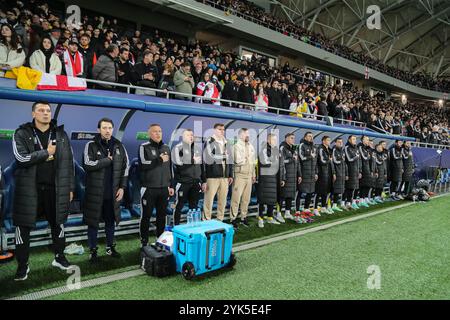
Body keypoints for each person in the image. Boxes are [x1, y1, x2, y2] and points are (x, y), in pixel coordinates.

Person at [12, 101, 74, 281]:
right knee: (23, 228)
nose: (45, 113)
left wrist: (70, 187)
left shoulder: (61, 134)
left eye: (48, 110)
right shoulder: (22, 133)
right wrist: (46, 153)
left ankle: (59, 257)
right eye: (41, 110)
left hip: (55, 189)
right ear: (33, 114)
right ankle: (23, 266)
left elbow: (68, 163)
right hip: (30, 190)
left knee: (58, 224)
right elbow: (21, 159)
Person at [83, 118, 129, 263]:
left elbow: (125, 168)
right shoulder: (90, 145)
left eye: (110, 127)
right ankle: (93, 250)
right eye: (104, 127)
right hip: (95, 193)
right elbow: (87, 164)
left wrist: (122, 187)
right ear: (99, 129)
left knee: (110, 221)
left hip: (112, 192)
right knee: (93, 223)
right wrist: (107, 161)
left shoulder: (119, 145)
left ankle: (110, 247)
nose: (107, 130)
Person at [138, 124, 174, 243]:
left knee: (161, 217)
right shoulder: (144, 147)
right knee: (146, 216)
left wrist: (171, 185)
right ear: (149, 134)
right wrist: (159, 160)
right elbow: (143, 165)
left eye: (160, 131)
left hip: (164, 188)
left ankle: (160, 240)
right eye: (155, 131)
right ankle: (144, 241)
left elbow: (170, 168)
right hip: (148, 189)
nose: (158, 133)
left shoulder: (166, 148)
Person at [172, 129, 203, 225]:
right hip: (183, 183)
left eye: (192, 135)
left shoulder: (197, 148)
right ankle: (176, 226)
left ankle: (192, 226)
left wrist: (203, 181)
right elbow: (179, 164)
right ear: (182, 137)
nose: (191, 137)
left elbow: (201, 166)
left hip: (195, 182)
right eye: (188, 135)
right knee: (179, 206)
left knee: (193, 206)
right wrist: (192, 160)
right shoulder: (177, 148)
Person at [203, 123, 233, 221]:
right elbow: (209, 158)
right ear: (214, 130)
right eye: (220, 129)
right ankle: (206, 220)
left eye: (223, 129)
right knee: (209, 200)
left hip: (224, 177)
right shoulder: (209, 141)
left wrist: (230, 175)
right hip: (212, 176)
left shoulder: (226, 142)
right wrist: (223, 156)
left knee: (222, 201)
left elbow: (230, 159)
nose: (222, 131)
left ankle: (220, 220)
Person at [230, 128, 256, 229]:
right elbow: (238, 160)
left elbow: (253, 162)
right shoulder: (236, 146)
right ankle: (233, 219)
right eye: (246, 134)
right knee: (236, 198)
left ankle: (243, 218)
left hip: (249, 175)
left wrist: (253, 174)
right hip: (239, 175)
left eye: (248, 134)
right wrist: (246, 156)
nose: (248, 136)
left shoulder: (251, 146)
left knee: (246, 199)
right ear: (241, 135)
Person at [257, 133, 280, 227]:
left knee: (271, 198)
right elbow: (265, 162)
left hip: (273, 177)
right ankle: (260, 218)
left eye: (275, 140)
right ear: (268, 140)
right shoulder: (263, 149)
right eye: (273, 140)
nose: (275, 142)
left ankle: (270, 217)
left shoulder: (275, 150)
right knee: (263, 199)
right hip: (265, 178)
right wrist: (274, 161)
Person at [278, 132, 299, 222]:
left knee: (290, 195)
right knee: (282, 195)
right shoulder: (282, 147)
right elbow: (282, 161)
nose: (293, 140)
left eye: (293, 138)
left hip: (293, 175)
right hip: (285, 175)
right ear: (286, 138)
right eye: (291, 138)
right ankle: (278, 213)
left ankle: (287, 212)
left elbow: (297, 163)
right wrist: (291, 159)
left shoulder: (293, 149)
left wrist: (299, 174)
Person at [297, 132, 318, 216]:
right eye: (309, 136)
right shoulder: (302, 145)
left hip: (312, 173)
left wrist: (316, 172)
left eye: (312, 136)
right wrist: (310, 156)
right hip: (304, 173)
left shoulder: (314, 147)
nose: (311, 138)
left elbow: (316, 161)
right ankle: (297, 210)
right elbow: (301, 158)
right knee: (300, 191)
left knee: (310, 191)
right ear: (305, 137)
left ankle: (306, 208)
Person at [315, 136, 335, 215]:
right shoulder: (320, 148)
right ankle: (315, 208)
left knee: (326, 191)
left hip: (329, 173)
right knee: (319, 191)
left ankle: (323, 207)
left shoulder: (329, 149)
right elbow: (322, 161)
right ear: (323, 141)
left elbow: (332, 163)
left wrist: (333, 173)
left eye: (330, 140)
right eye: (328, 140)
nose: (329, 141)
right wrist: (329, 160)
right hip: (322, 173)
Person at [344, 135, 361, 210]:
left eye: (355, 139)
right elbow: (349, 159)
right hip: (349, 171)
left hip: (355, 171)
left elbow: (359, 161)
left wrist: (359, 171)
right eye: (353, 139)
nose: (355, 140)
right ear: (349, 140)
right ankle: (344, 203)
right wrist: (356, 157)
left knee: (353, 188)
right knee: (348, 187)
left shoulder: (356, 148)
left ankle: (350, 202)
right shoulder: (347, 147)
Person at [358, 136, 375, 207]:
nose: (368, 141)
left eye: (368, 140)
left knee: (367, 184)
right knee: (363, 185)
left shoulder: (367, 149)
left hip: (367, 168)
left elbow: (370, 159)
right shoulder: (360, 147)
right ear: (362, 140)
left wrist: (371, 170)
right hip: (363, 168)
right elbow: (364, 157)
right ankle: (361, 199)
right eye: (366, 140)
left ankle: (365, 198)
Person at [331, 138, 346, 211]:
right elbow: (335, 161)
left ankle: (336, 204)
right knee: (335, 190)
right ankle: (333, 205)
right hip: (337, 173)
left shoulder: (342, 151)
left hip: (342, 173)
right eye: (339, 142)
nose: (340, 143)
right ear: (335, 143)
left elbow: (344, 163)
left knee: (340, 189)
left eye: (341, 142)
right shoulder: (334, 150)